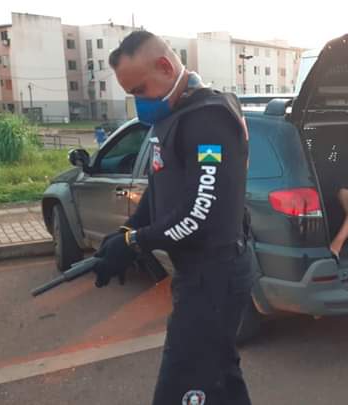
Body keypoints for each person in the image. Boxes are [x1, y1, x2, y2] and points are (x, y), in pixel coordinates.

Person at [93, 30, 254, 405]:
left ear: (165, 67)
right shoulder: (176, 116)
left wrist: (137, 243)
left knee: (181, 385)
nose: (139, 103)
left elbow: (200, 211)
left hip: (215, 276)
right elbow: (160, 188)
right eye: (131, 94)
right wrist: (127, 231)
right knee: (221, 374)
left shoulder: (209, 119)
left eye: (140, 90)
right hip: (198, 275)